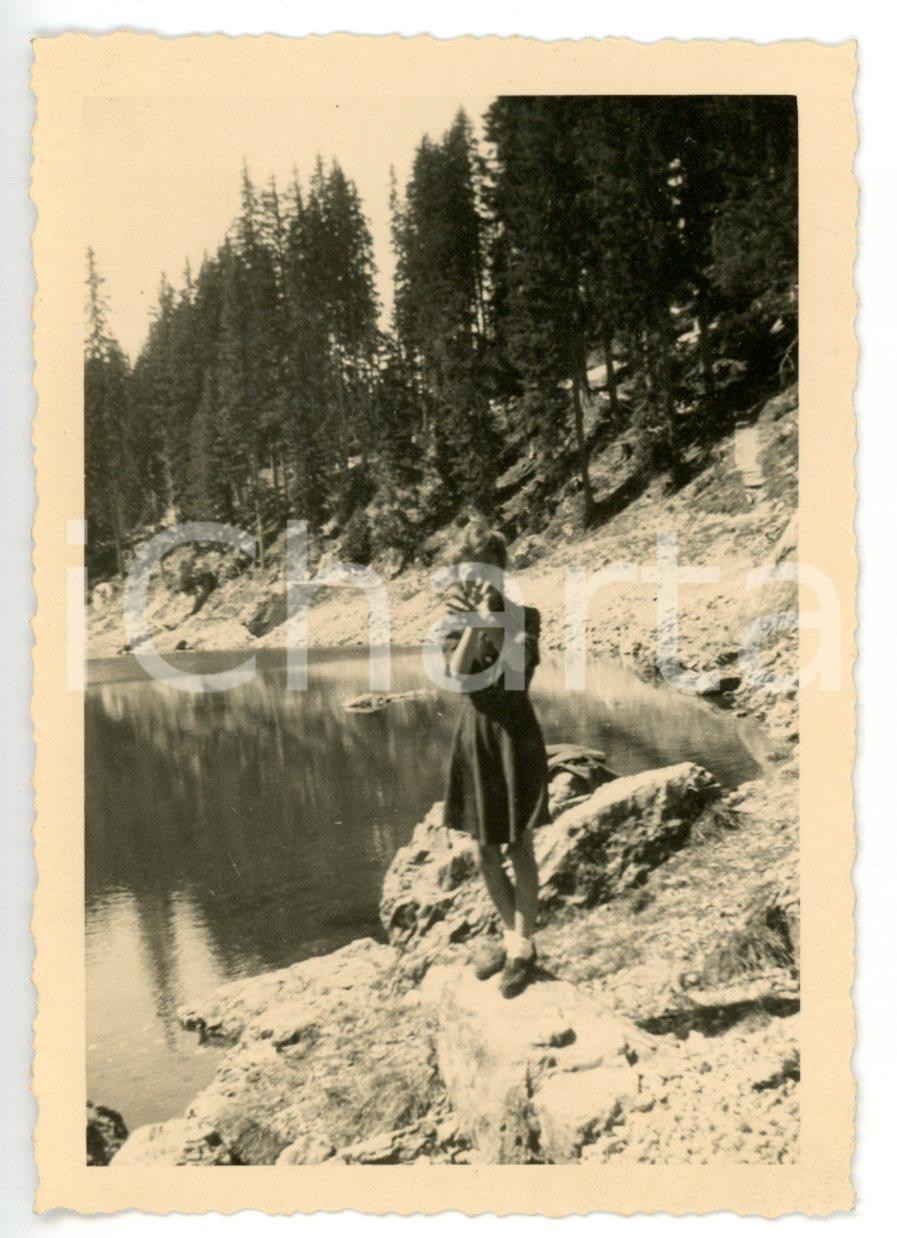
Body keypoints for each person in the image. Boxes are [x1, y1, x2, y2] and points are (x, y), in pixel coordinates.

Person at [440, 522, 550, 998]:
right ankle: (512, 940)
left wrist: (493, 621)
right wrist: (473, 625)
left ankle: (522, 949)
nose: (477, 580)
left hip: (514, 735)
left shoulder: (525, 617)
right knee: (482, 849)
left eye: (485, 571)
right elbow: (458, 674)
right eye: (468, 572)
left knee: (519, 844)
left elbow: (517, 673)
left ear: (501, 571)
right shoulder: (454, 622)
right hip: (476, 736)